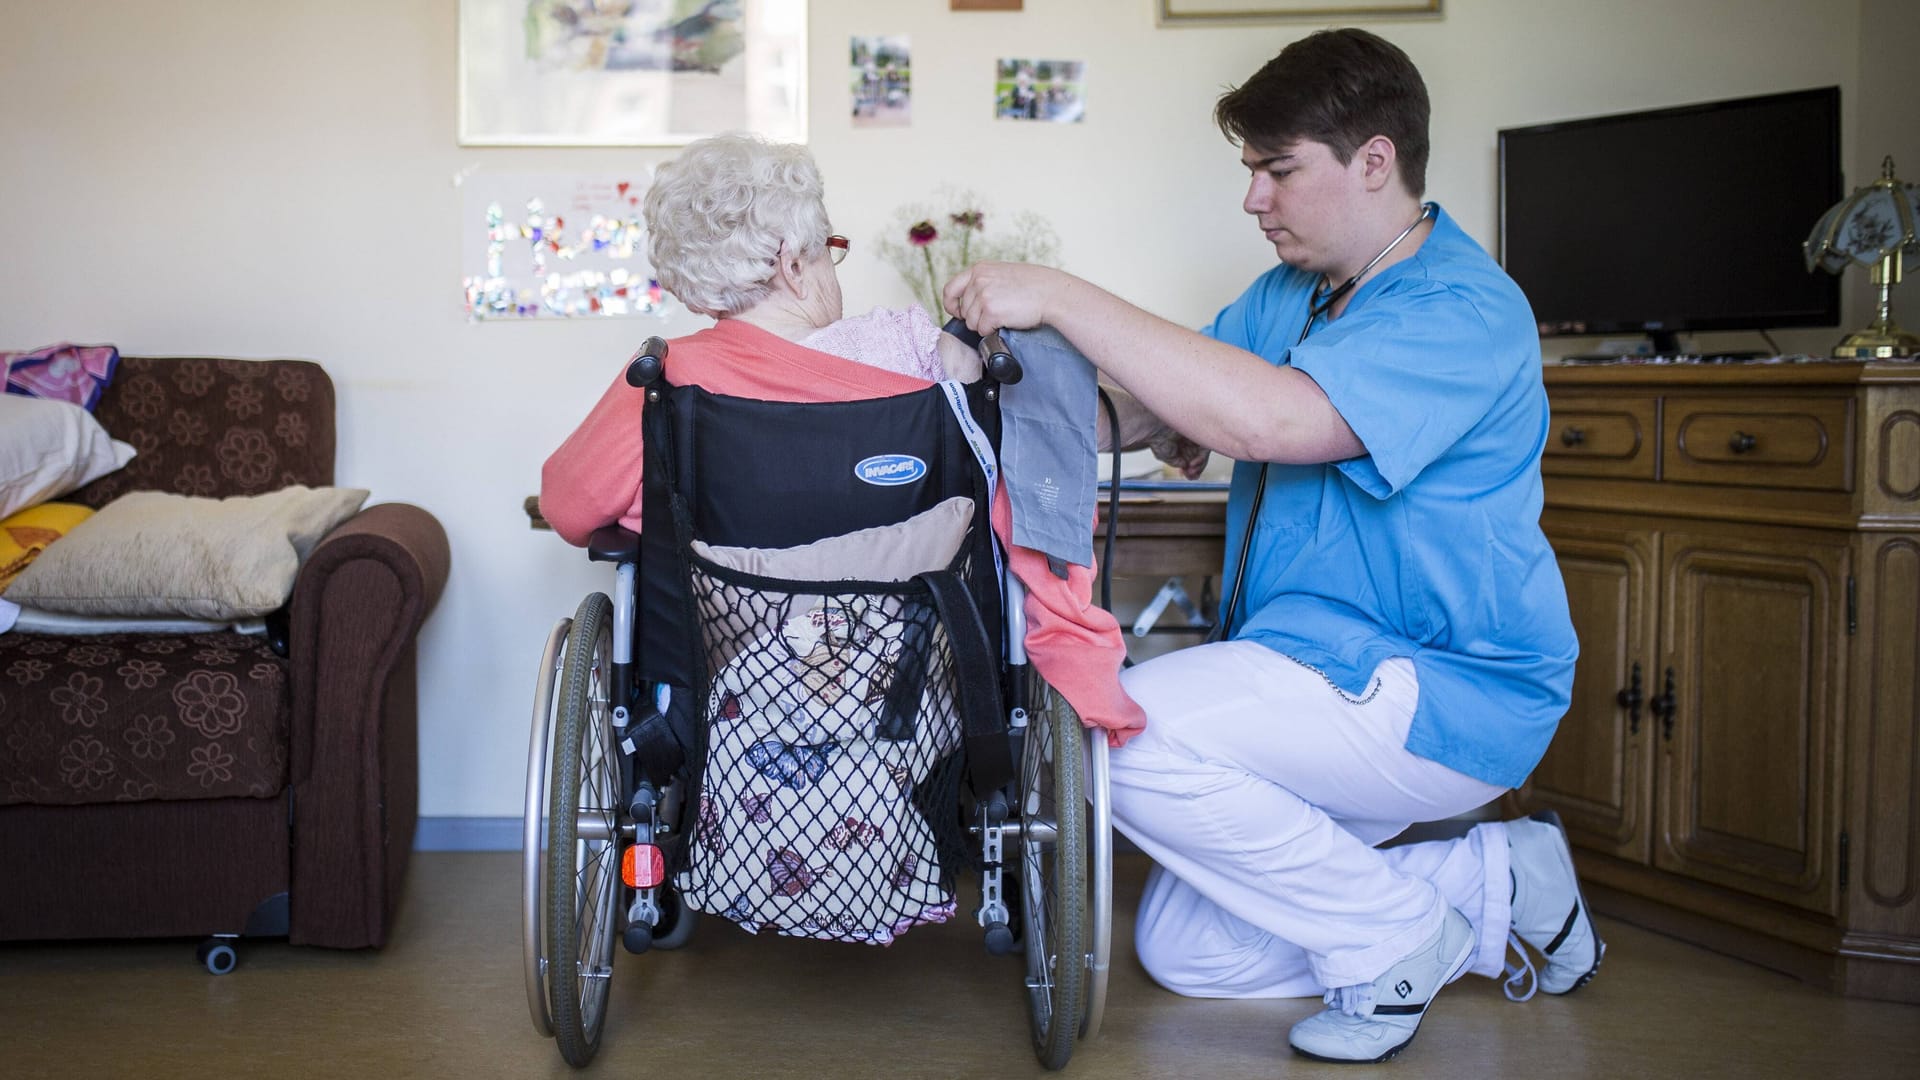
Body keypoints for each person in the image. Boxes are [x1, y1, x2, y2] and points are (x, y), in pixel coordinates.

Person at [943, 28, 1594, 1065]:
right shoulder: (1293, 295)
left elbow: (1274, 423)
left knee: (1119, 730)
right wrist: (1003, 389)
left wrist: (1060, 293)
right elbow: (1166, 409)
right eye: (1252, 171)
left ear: (1374, 161)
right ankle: (1495, 883)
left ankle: (1394, 936)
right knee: (1191, 952)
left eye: (1277, 170)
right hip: (1316, 676)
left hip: (1440, 687)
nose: (1254, 199)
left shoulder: (1460, 308)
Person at [540, 133, 1147, 747]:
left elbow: (567, 509)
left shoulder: (662, 380)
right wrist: (1154, 424)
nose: (836, 267)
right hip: (912, 699)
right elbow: (1029, 425)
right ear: (793, 264)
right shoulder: (915, 351)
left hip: (729, 703)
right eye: (831, 248)